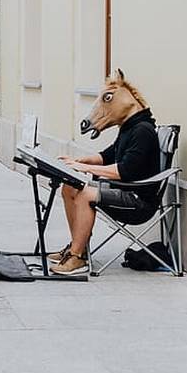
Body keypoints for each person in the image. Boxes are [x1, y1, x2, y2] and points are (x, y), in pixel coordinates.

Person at [48, 72, 161, 275]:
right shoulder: (129, 128)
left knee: (85, 195)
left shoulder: (143, 131)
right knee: (70, 187)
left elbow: (123, 171)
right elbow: (107, 156)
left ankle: (77, 257)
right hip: (124, 191)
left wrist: (85, 169)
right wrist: (78, 161)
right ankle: (77, 246)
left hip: (137, 200)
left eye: (109, 98)